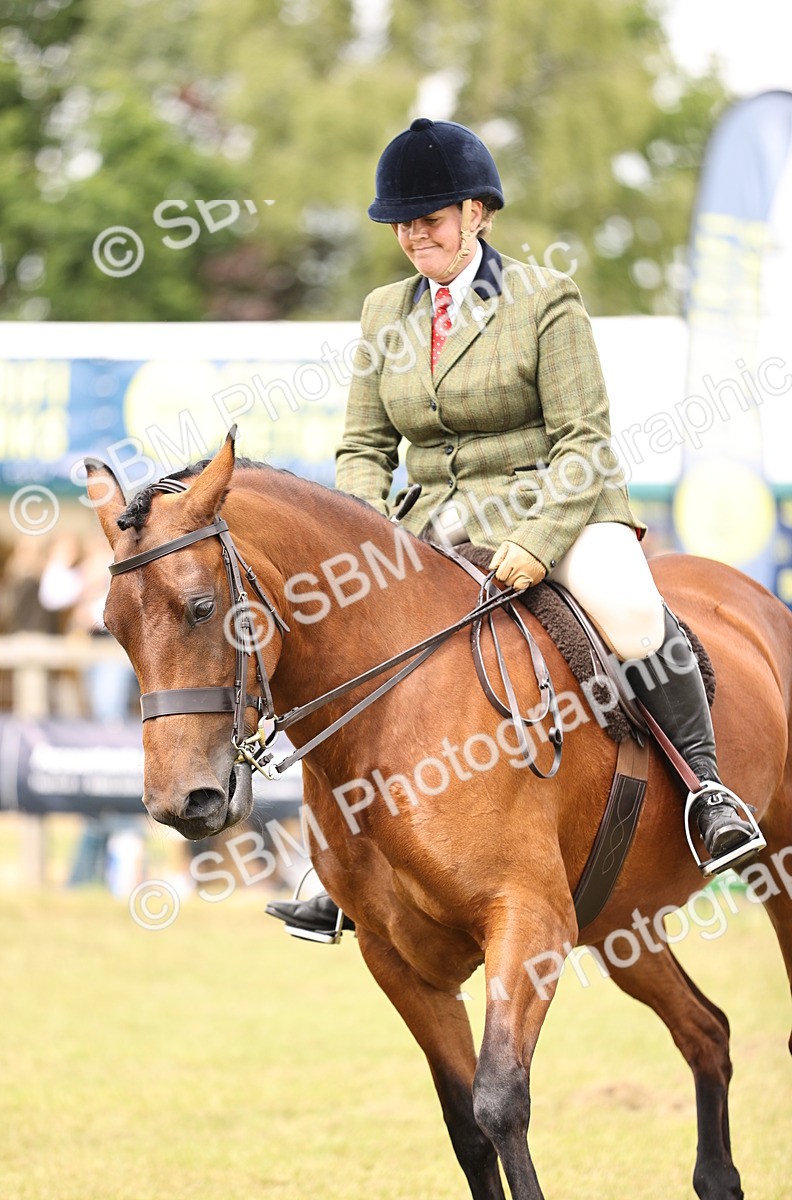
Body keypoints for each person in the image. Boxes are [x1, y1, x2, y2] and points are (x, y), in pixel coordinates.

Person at [267, 117, 763, 938]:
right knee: (343, 643)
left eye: (428, 218)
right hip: (427, 523)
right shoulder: (382, 311)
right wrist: (357, 535)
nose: (412, 234)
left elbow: (585, 443)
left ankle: (708, 790)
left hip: (556, 507)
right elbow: (363, 445)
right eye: (402, 222)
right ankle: (339, 857)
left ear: (477, 213)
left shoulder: (545, 299)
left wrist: (536, 542)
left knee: (635, 613)